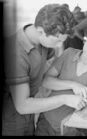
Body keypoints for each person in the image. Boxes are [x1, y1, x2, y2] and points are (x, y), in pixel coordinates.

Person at [2, 4, 76, 136]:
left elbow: (47, 70)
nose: (59, 45)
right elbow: (22, 106)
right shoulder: (15, 53)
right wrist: (64, 99)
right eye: (57, 41)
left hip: (29, 114)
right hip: (10, 119)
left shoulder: (43, 41)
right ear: (40, 30)